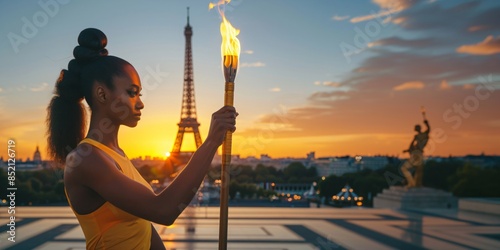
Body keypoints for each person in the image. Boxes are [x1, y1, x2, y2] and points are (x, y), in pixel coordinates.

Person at [46, 28, 238, 249]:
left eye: (139, 94)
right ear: (102, 94)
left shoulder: (116, 155)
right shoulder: (85, 160)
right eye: (131, 93)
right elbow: (163, 211)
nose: (140, 103)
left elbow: (142, 227)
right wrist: (212, 142)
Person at [400, 119, 430, 188]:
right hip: (418, 154)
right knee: (418, 170)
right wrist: (426, 124)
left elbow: (411, 146)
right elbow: (428, 130)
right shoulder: (422, 135)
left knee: (405, 168)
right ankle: (415, 183)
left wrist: (427, 124)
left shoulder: (419, 136)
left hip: (416, 154)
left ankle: (412, 183)